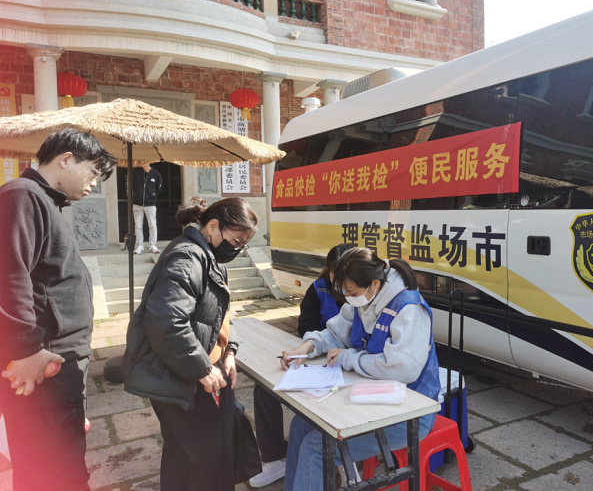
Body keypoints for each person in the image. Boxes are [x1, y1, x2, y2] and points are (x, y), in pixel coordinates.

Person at [0, 129, 116, 491]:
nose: (94, 184)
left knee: (64, 456)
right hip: (44, 359)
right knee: (53, 469)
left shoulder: (46, 201)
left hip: (60, 358)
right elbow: (9, 275)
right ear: (66, 159)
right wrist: (26, 349)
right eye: (93, 172)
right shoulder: (22, 195)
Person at [122, 196, 258, 491]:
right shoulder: (188, 258)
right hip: (182, 375)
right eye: (236, 241)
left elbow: (219, 315)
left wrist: (229, 351)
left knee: (184, 456)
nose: (237, 249)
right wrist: (202, 369)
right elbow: (166, 322)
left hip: (194, 369)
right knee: (211, 462)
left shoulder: (209, 257)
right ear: (213, 226)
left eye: (243, 244)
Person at [280, 248, 440, 491]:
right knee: (300, 425)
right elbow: (336, 333)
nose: (347, 297)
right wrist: (306, 347)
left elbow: (403, 369)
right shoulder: (363, 298)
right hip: (370, 399)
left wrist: (349, 358)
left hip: (408, 414)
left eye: (351, 292)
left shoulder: (408, 307)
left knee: (316, 448)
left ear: (374, 283)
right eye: (344, 292)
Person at [249, 244, 352, 488]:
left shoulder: (363, 299)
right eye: (337, 279)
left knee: (315, 409)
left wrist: (345, 353)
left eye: (348, 284)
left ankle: (334, 465)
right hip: (318, 356)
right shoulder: (319, 289)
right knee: (265, 388)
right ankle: (276, 458)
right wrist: (311, 347)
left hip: (347, 364)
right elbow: (307, 326)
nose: (344, 289)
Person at [133, 162, 163, 254]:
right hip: (137, 203)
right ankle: (140, 246)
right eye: (141, 161)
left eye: (144, 161)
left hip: (150, 204)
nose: (142, 163)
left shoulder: (156, 174)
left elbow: (159, 188)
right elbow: (131, 185)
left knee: (152, 225)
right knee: (138, 226)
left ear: (149, 162)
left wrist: (151, 196)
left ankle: (153, 245)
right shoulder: (136, 172)